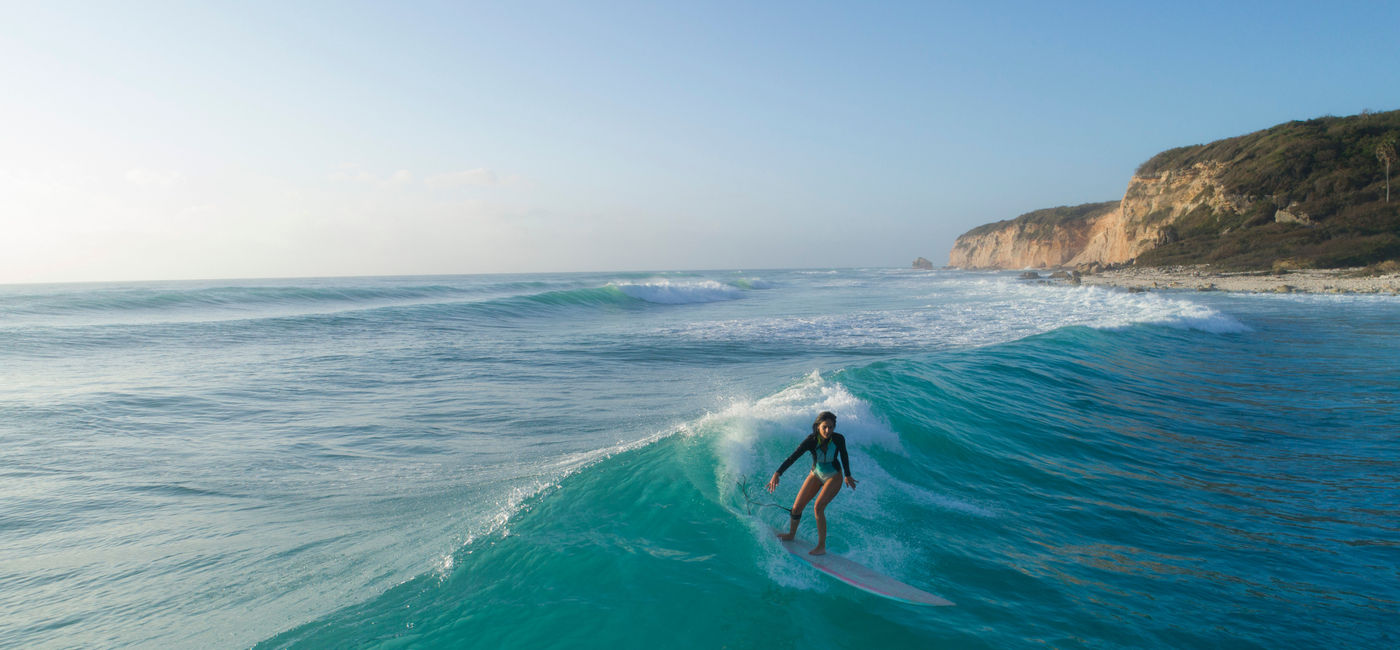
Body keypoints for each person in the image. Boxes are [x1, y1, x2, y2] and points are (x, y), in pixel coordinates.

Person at [766, 411, 858, 555]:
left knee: (818, 507)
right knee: (796, 508)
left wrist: (847, 475)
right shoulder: (811, 440)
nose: (828, 431)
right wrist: (778, 473)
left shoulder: (839, 439)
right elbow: (793, 457)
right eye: (825, 427)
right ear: (818, 426)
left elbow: (844, 455)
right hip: (816, 474)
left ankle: (821, 546)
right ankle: (791, 534)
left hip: (834, 475)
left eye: (831, 427)